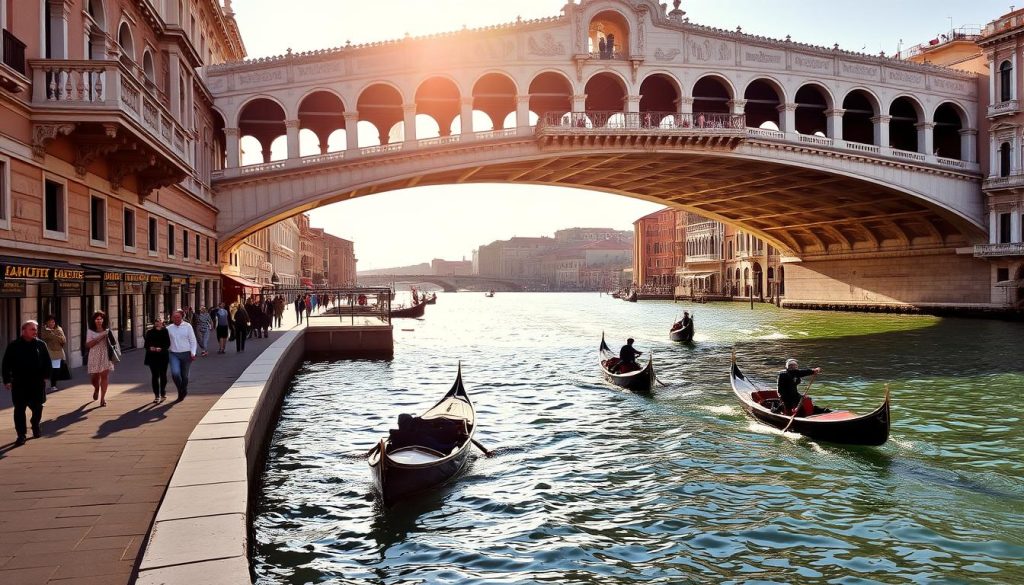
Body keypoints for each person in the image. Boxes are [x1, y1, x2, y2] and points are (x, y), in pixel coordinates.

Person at [2, 320, 52, 445]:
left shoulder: (41, 344)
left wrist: (46, 376)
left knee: (38, 406)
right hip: (19, 382)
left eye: (36, 329)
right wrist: (7, 380)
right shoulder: (14, 345)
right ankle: (21, 434)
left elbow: (47, 361)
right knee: (19, 409)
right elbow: (6, 364)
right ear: (24, 330)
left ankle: (35, 424)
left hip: (37, 382)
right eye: (32, 329)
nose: (35, 332)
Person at [84, 310, 114, 407]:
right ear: (94, 320)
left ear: (103, 320)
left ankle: (102, 399)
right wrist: (101, 336)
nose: (99, 321)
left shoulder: (107, 330)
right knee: (94, 379)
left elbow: (113, 343)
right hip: (94, 355)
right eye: (97, 319)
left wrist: (108, 335)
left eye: (101, 319)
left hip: (105, 355)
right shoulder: (90, 331)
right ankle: (96, 388)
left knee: (104, 377)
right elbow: (88, 345)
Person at [167, 309, 197, 401]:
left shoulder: (188, 326)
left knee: (185, 376)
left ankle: (182, 391)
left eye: (178, 317)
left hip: (186, 353)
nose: (176, 319)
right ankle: (181, 390)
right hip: (174, 354)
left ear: (182, 317)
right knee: (175, 373)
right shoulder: (169, 328)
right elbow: (163, 341)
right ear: (172, 318)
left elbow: (193, 340)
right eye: (174, 317)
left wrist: (193, 352)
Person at [144, 316, 171, 402]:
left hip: (163, 356)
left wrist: (161, 349)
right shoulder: (150, 332)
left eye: (159, 321)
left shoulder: (165, 331)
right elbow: (146, 345)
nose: (157, 322)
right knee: (155, 376)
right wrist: (150, 348)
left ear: (162, 323)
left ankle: (162, 392)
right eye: (156, 321)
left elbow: (168, 344)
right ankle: (156, 395)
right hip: (152, 356)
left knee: (163, 375)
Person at [39, 315, 67, 393]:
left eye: (53, 322)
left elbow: (63, 340)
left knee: (55, 368)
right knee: (47, 368)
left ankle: (53, 385)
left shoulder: (59, 329)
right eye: (50, 322)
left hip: (57, 351)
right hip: (47, 350)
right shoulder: (44, 330)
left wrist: (53, 335)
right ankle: (46, 385)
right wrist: (54, 336)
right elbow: (43, 337)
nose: (52, 323)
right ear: (46, 322)